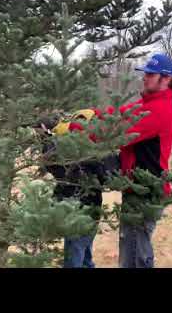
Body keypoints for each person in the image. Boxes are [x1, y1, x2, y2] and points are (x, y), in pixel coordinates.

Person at [116, 53, 172, 268]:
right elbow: (115, 115)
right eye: (146, 74)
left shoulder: (159, 110)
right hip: (136, 188)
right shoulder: (146, 104)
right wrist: (84, 116)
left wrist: (76, 128)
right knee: (131, 248)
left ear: (166, 79)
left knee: (136, 256)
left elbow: (116, 130)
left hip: (146, 191)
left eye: (151, 74)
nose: (145, 77)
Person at [39, 110, 120, 268]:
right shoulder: (68, 146)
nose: (78, 129)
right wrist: (46, 139)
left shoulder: (99, 151)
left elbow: (109, 177)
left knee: (76, 255)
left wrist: (91, 163)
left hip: (84, 208)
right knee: (83, 253)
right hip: (79, 207)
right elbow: (54, 167)